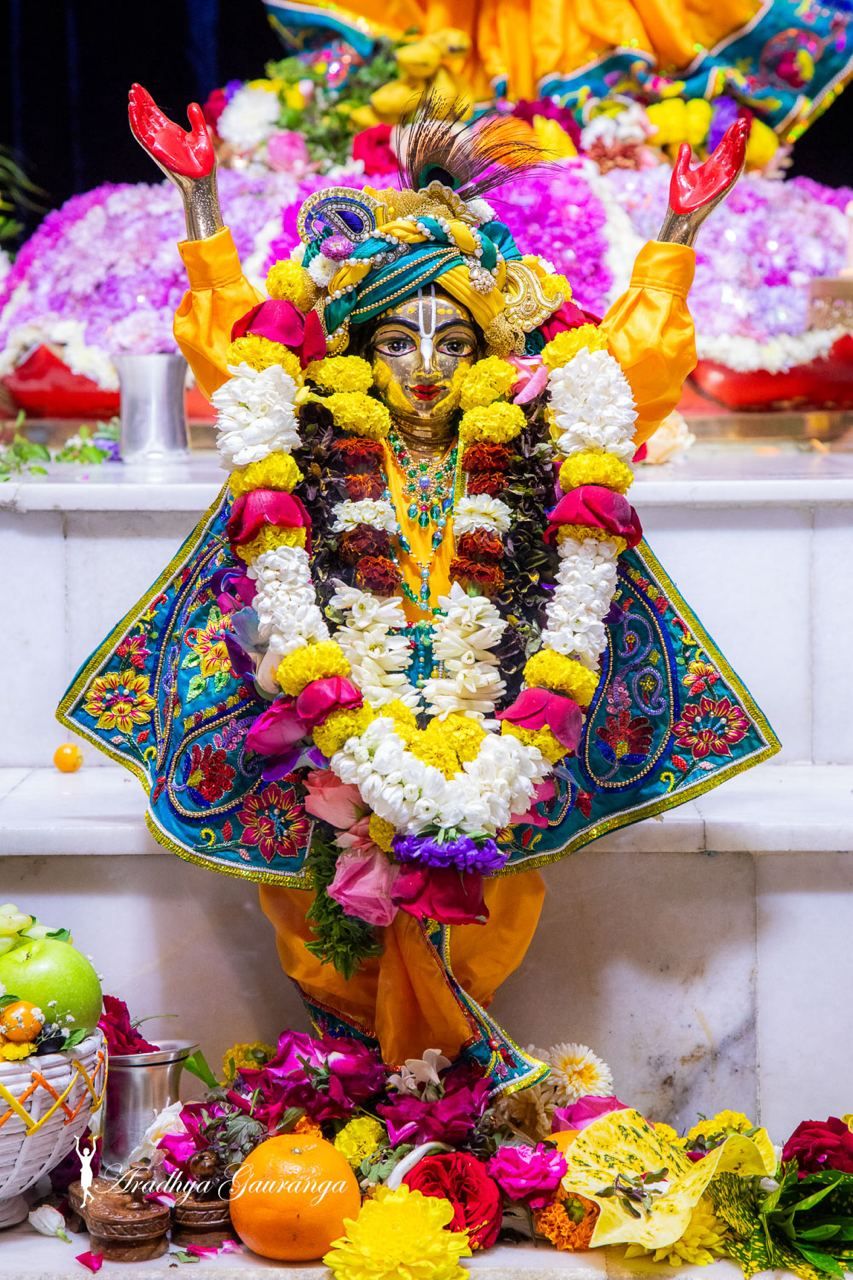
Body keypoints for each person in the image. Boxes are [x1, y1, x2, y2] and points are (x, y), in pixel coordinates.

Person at [58, 88, 778, 1092]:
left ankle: (444, 1092)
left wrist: (677, 230)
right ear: (362, 350)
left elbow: (627, 375)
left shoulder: (525, 431)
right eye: (398, 341)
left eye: (454, 342)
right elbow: (235, 354)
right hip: (332, 717)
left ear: (487, 353)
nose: (428, 366)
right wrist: (200, 201)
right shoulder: (316, 425)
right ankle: (362, 1089)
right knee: (322, 903)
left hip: (496, 722)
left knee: (488, 895)